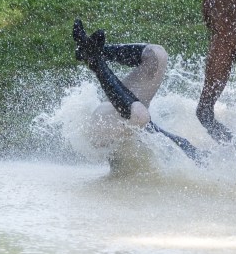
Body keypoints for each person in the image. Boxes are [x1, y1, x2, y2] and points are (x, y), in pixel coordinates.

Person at [72, 19, 203, 163]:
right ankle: (97, 53)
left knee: (140, 115)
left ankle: (92, 56)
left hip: (115, 125)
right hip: (112, 120)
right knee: (157, 55)